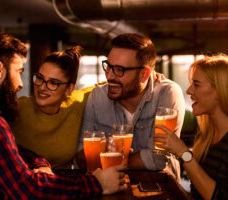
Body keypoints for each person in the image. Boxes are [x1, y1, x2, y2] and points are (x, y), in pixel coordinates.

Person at [0, 31, 126, 199]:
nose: (21, 84)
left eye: (54, 83)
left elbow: (12, 151)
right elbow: (28, 189)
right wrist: (97, 184)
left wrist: (150, 79)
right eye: (19, 71)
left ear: (69, 89)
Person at [154, 54, 228, 200]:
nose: (189, 91)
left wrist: (183, 153)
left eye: (197, 84)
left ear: (221, 91)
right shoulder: (206, 136)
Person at [76, 33, 185, 182]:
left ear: (144, 74)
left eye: (119, 70)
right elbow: (81, 157)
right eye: (108, 67)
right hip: (109, 190)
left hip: (159, 188)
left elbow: (158, 158)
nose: (109, 76)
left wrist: (109, 158)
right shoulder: (97, 97)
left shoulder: (166, 93)